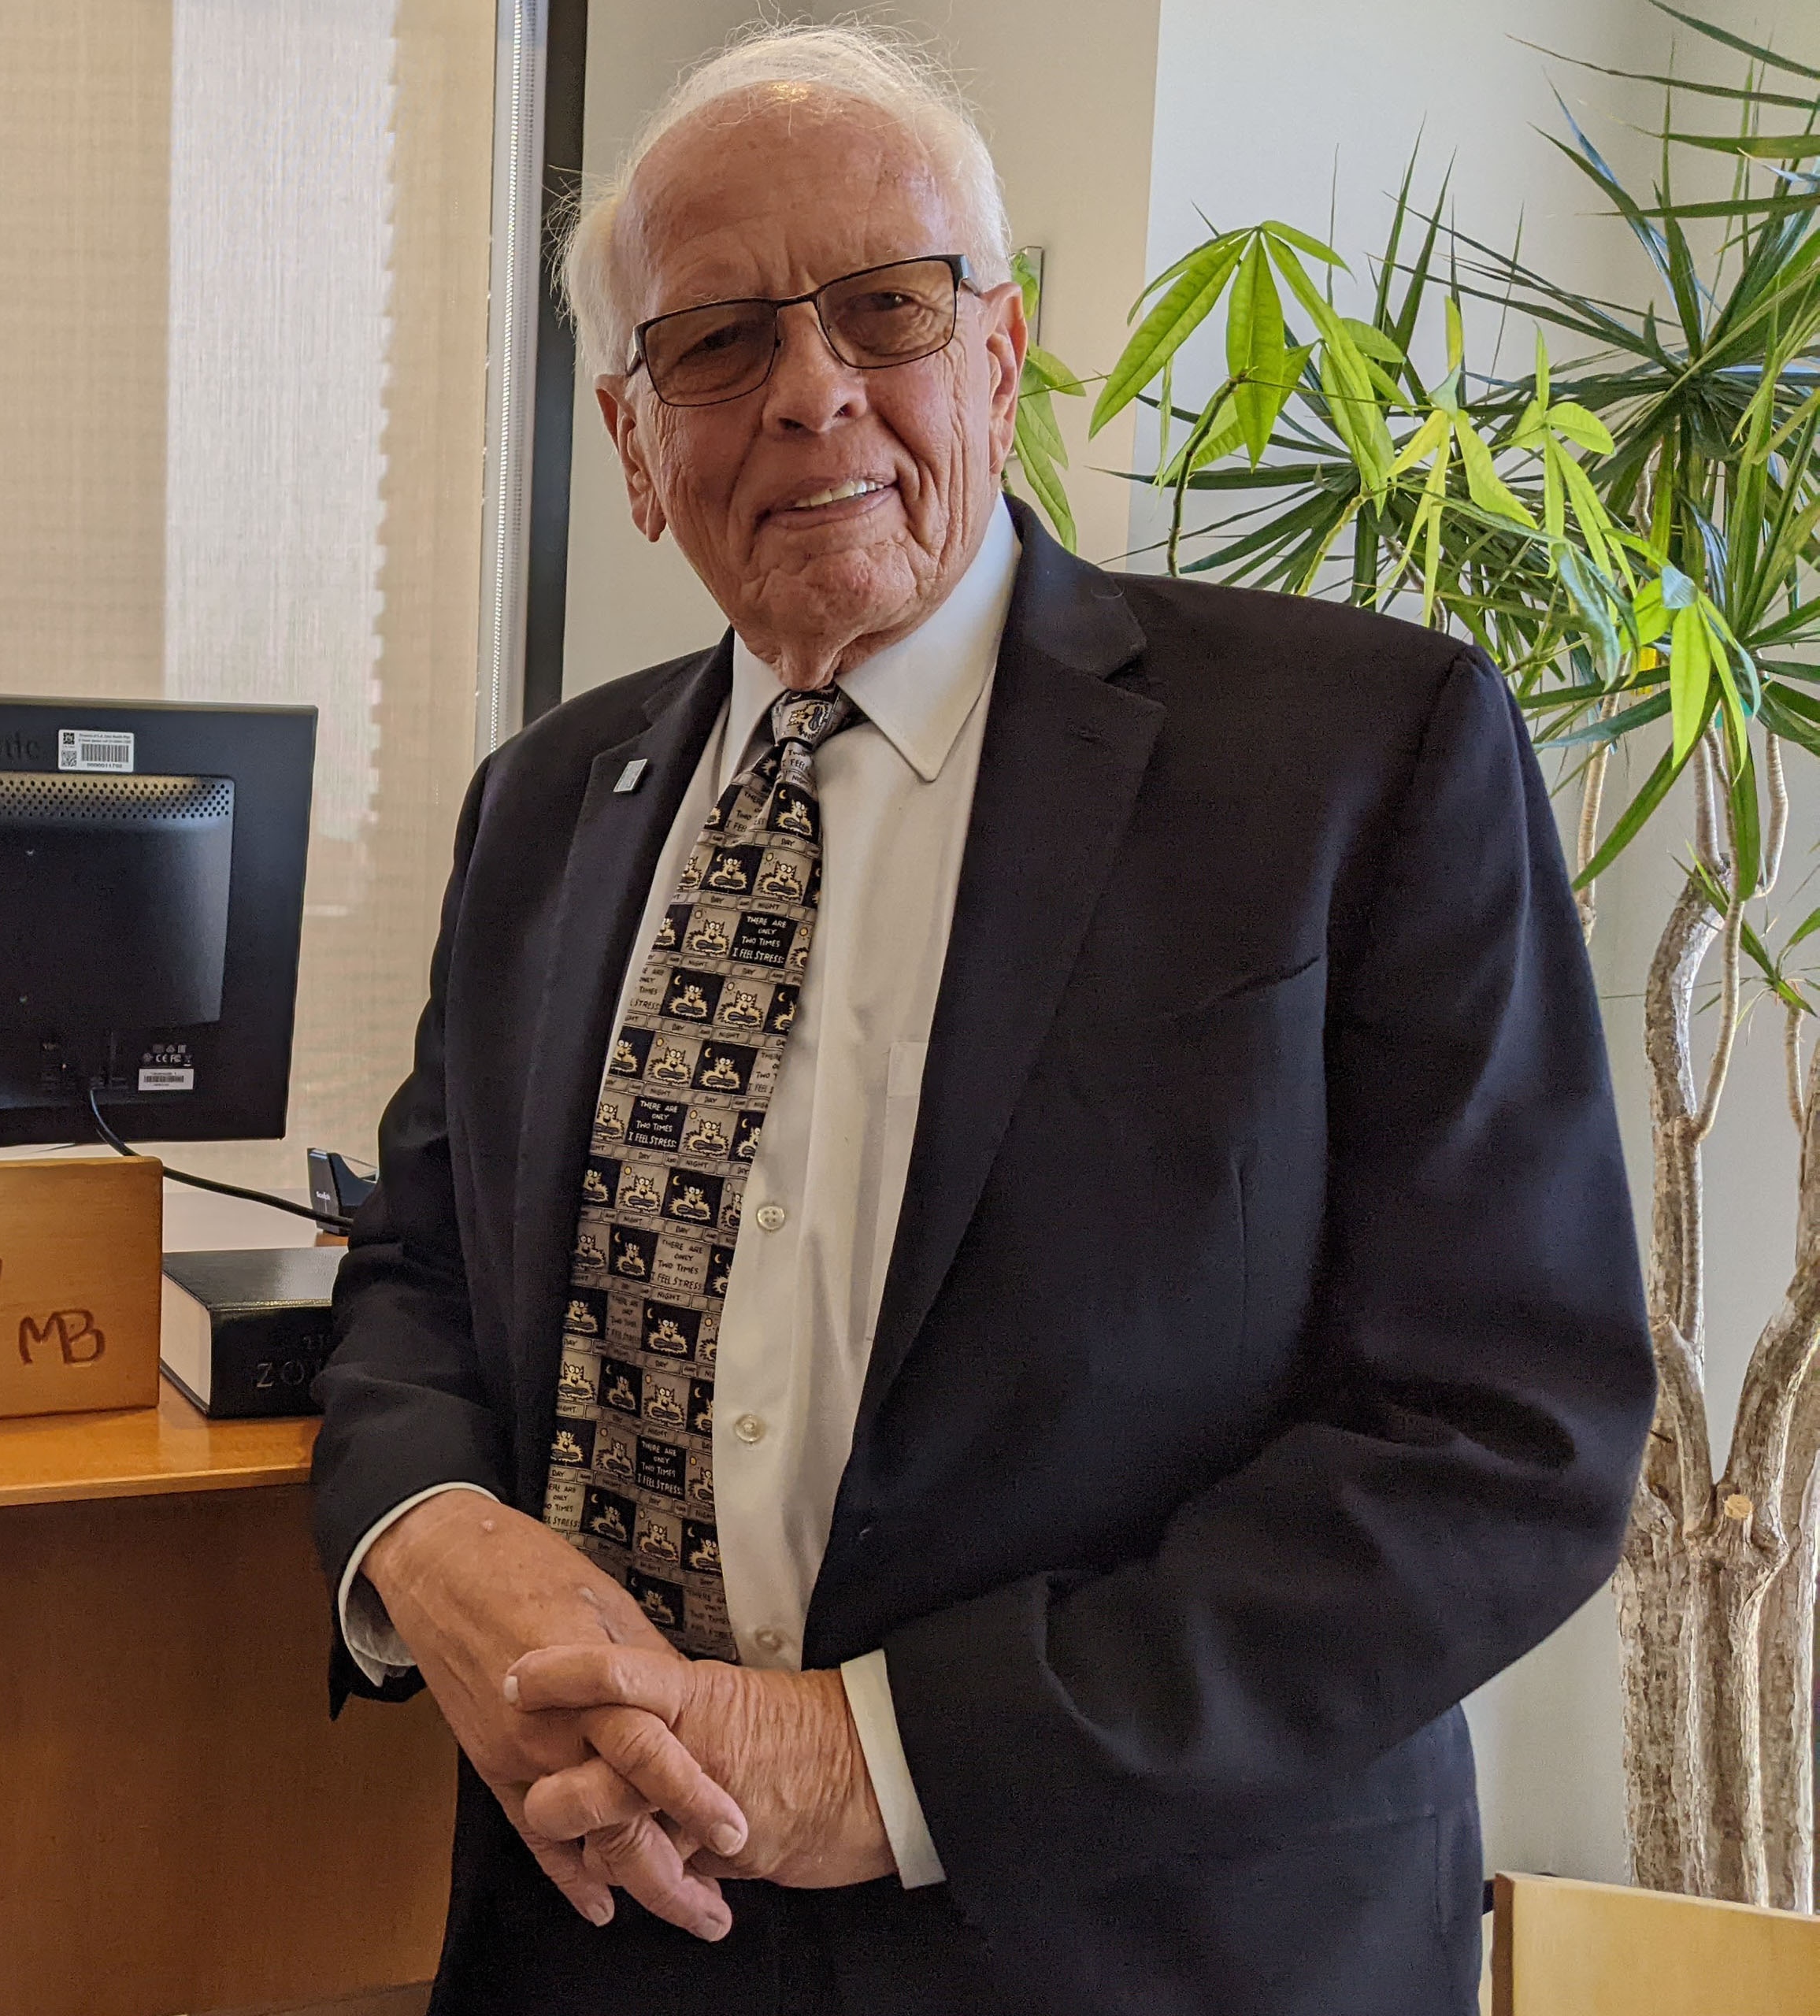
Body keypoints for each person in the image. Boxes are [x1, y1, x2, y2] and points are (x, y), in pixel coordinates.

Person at [309, 24, 1655, 2014]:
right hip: (597, 1934)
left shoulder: (1360, 755)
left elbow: (1500, 1440)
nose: (812, 393)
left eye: (886, 310)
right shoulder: (543, 803)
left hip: (1133, 1940)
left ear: (1002, 360)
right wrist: (426, 1540)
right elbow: (419, 1267)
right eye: (718, 343)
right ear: (631, 444)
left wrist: (877, 1754)